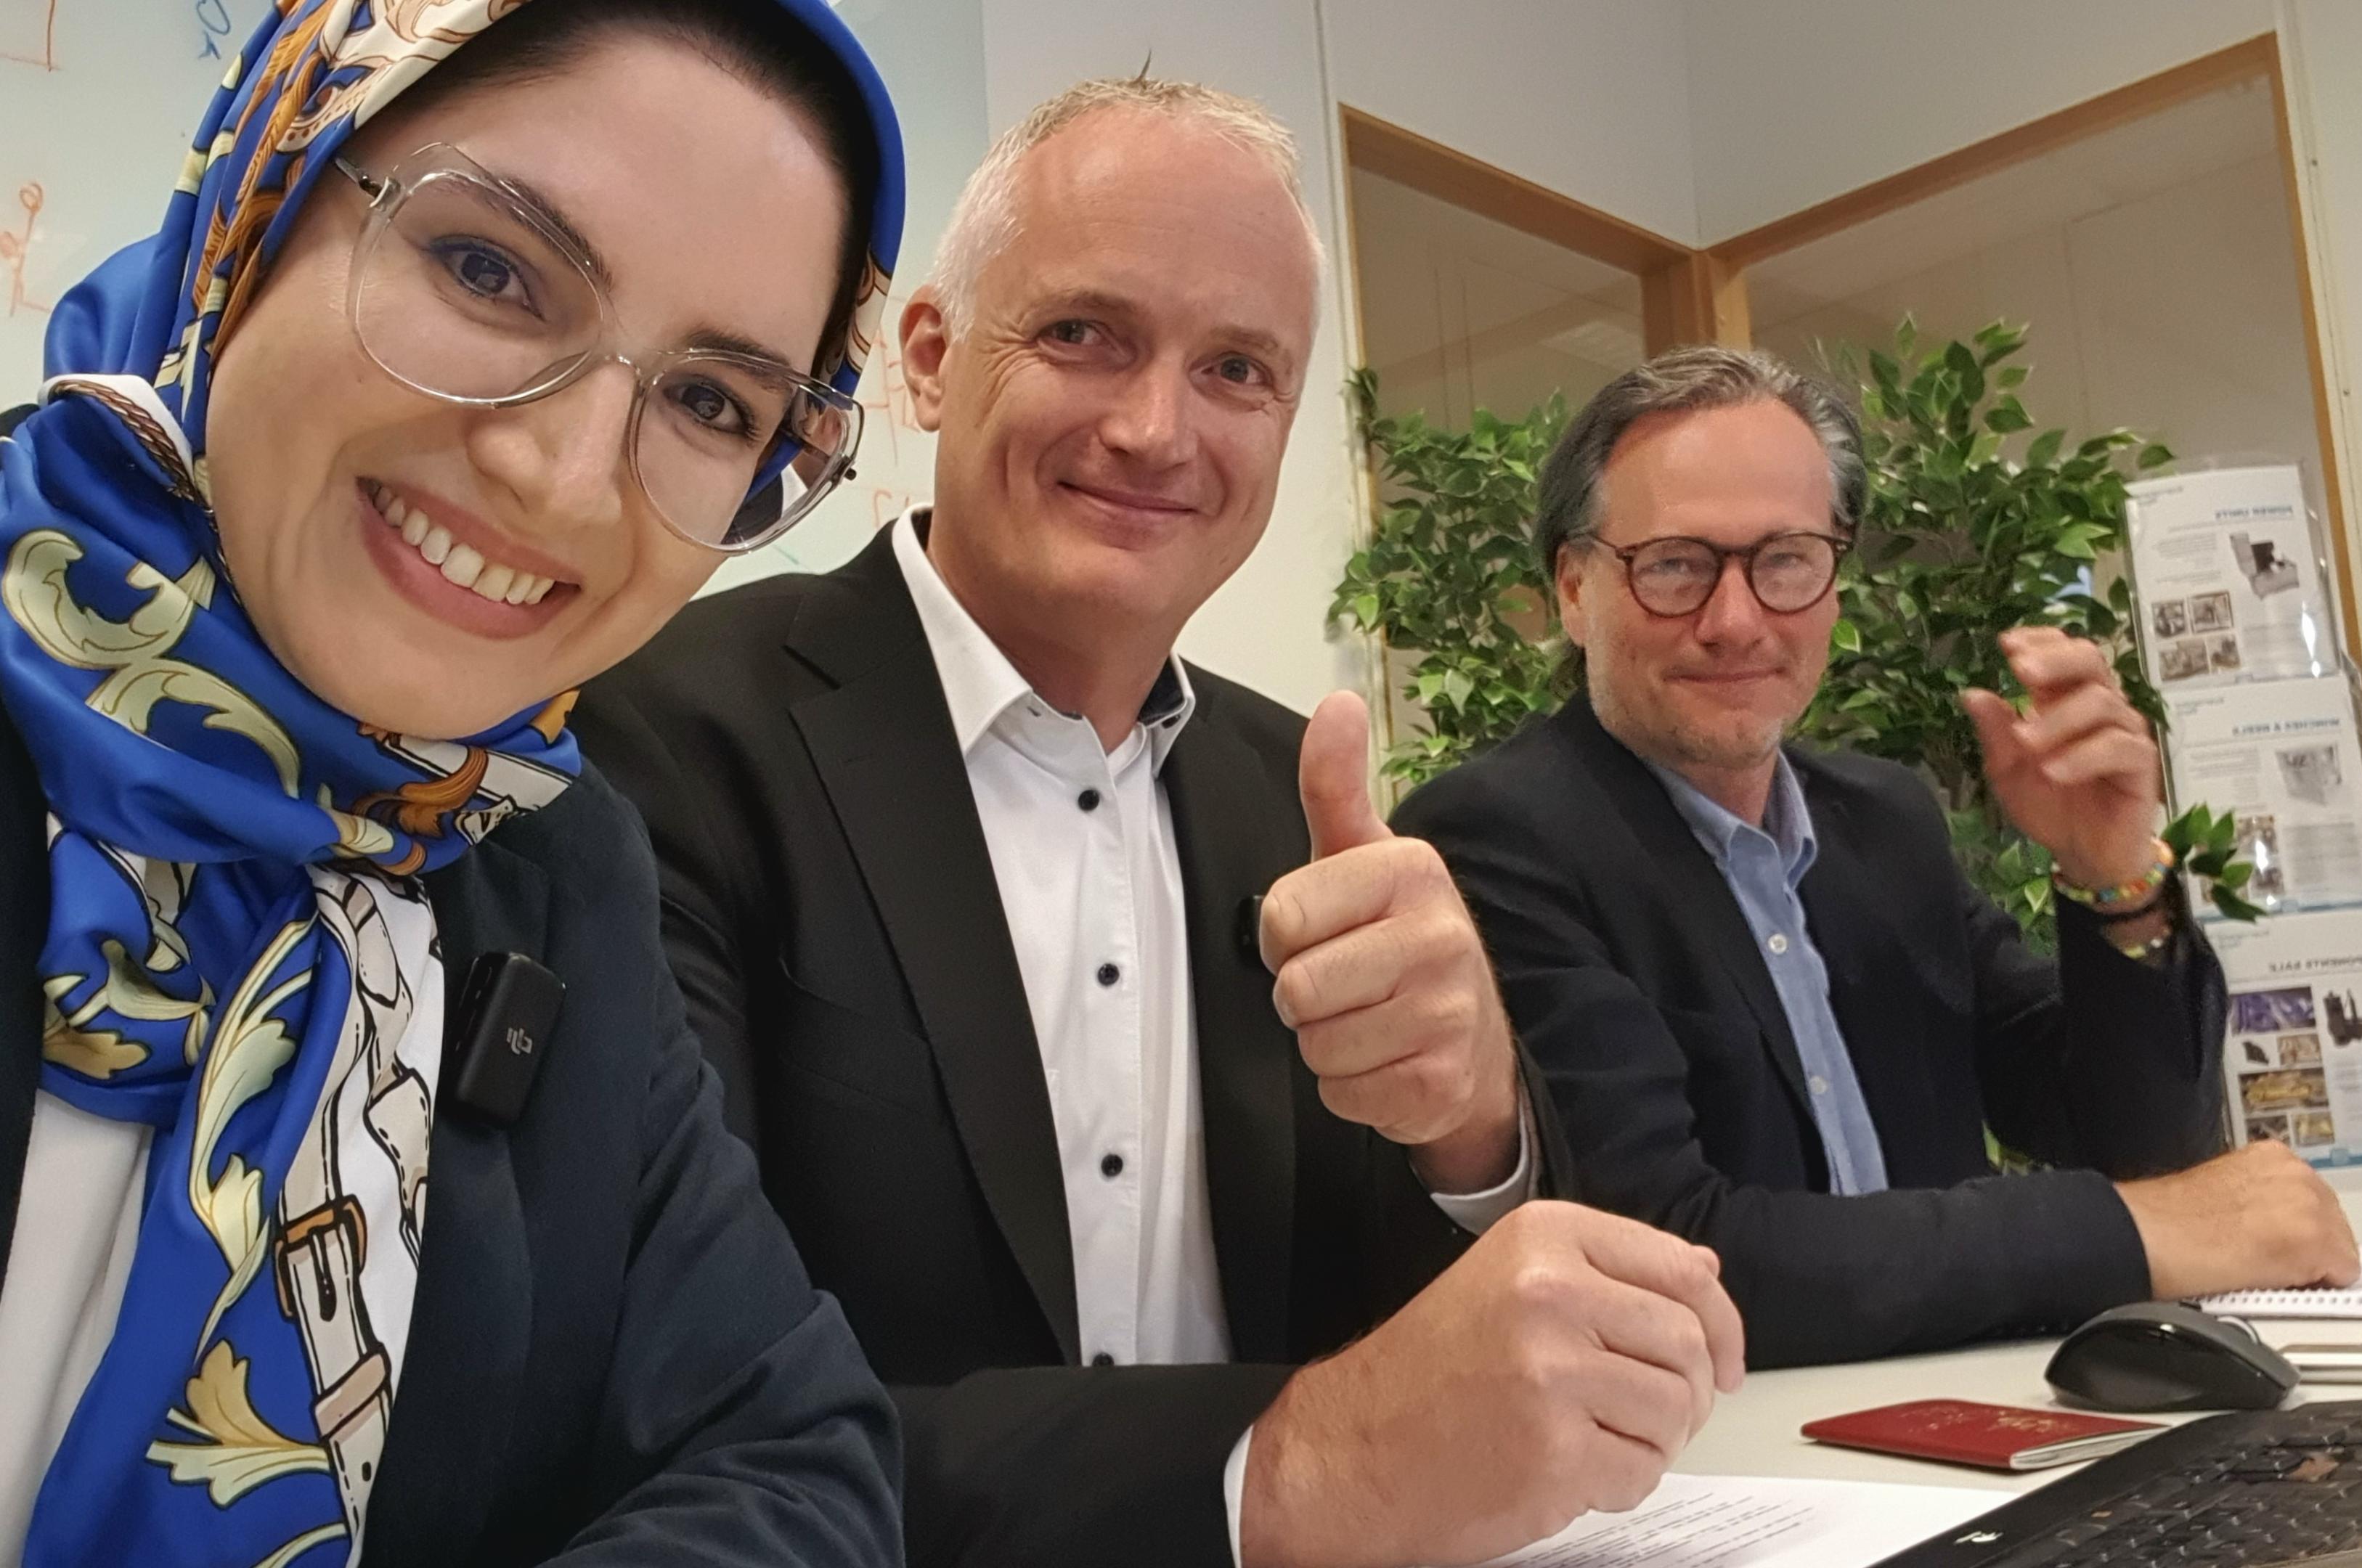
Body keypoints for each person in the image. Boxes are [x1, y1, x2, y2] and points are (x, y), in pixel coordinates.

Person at [581, 77, 1743, 1568]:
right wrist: (1291, 1469)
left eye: (1237, 370)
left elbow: (1435, 1358)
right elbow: (669, 1411)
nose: (1154, 430)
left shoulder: (1302, 793)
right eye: (1084, 333)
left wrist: (1474, 1130)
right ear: (930, 359)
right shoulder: (670, 734)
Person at [0, 1, 912, 1562]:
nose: (562, 477)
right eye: (489, 269)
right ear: (267, 195)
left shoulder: (550, 861)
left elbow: (794, 1451)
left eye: (713, 403)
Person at [1395, 346, 2362, 1371]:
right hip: (1724, 1448)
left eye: (1786, 560)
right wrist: (2132, 1233)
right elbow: (1667, 1252)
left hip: (1967, 1408)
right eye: (1674, 564)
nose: (1736, 621)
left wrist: (2113, 876)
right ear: (1574, 589)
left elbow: (2144, 1147)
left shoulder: (1884, 821)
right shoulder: (1494, 838)